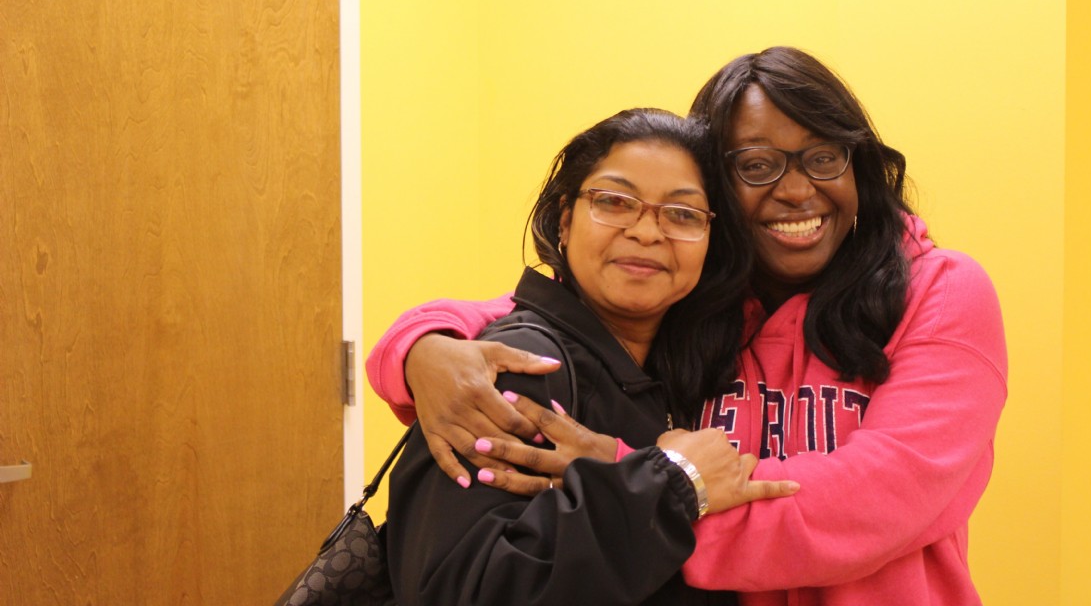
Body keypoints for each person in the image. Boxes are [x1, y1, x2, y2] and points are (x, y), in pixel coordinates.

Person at [370, 47, 1008, 605]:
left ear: (857, 168)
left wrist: (641, 480)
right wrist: (423, 346)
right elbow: (567, 312)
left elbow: (871, 505)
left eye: (823, 157)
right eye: (756, 165)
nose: (796, 190)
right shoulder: (705, 298)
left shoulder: (938, 292)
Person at [376, 107, 798, 606]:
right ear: (565, 220)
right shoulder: (520, 368)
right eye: (615, 202)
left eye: (682, 214)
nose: (647, 232)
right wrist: (675, 483)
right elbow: (462, 589)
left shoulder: (685, 368)